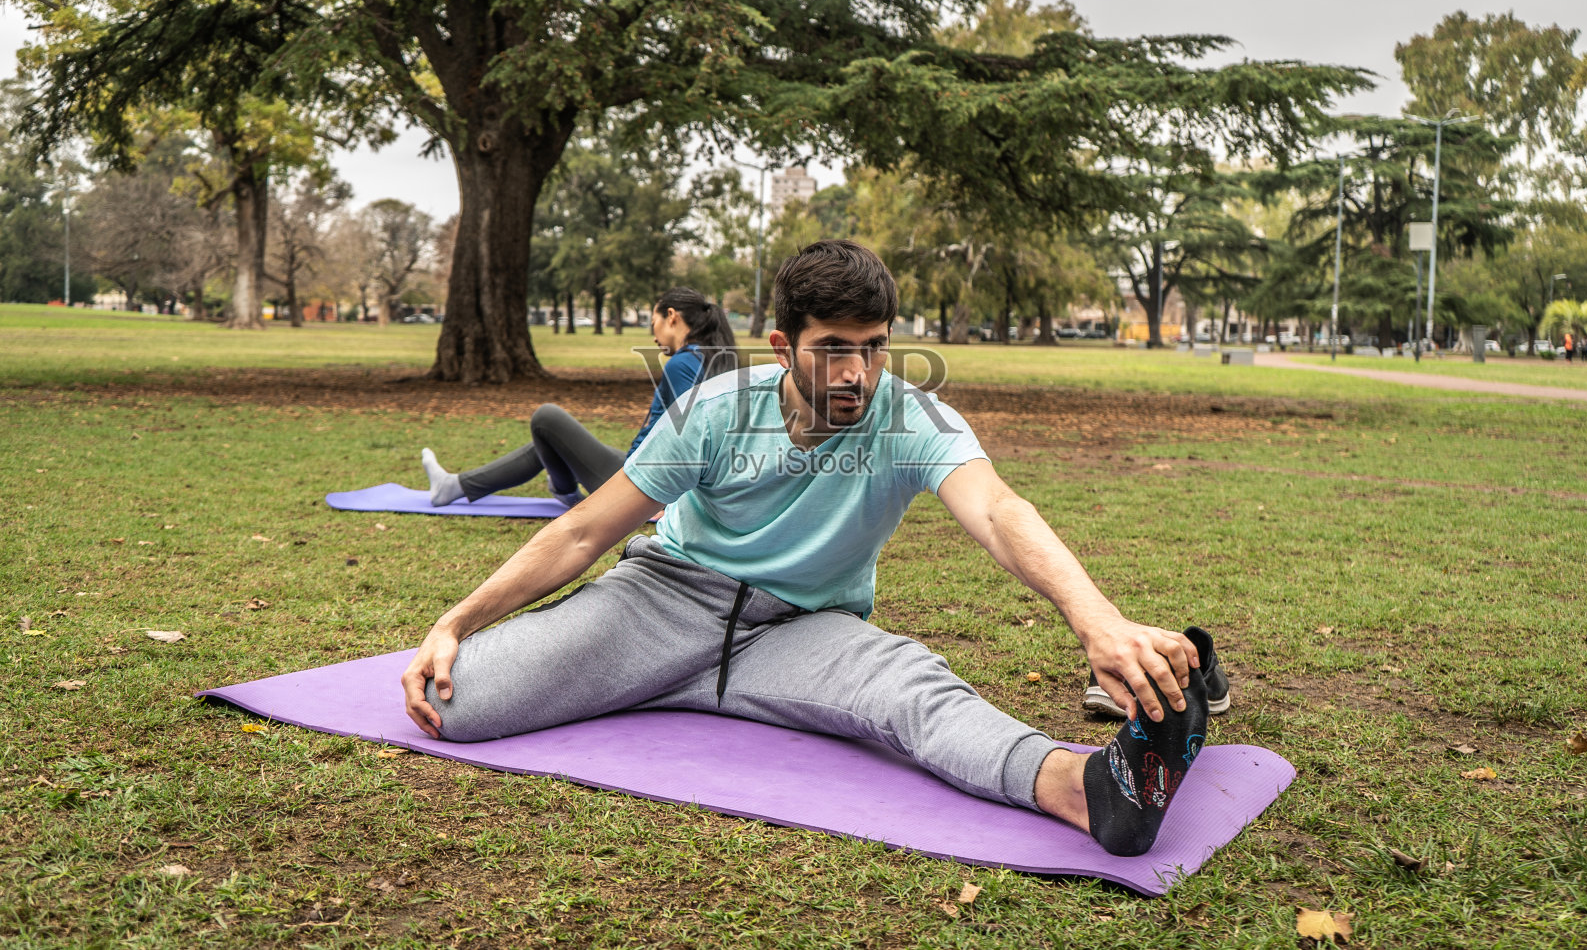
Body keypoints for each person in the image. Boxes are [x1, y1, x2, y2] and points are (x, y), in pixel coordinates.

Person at [401, 240, 1217, 858]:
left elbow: (1000, 511)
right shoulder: (717, 411)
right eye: (834, 346)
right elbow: (584, 529)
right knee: (454, 702)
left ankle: (1093, 788)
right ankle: (645, 680)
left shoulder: (911, 418)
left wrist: (1096, 620)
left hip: (803, 631)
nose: (858, 371)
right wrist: (457, 619)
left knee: (913, 689)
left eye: (874, 345)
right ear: (783, 344)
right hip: (662, 602)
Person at [419, 287, 735, 508]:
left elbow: (690, 438)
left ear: (671, 316)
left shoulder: (683, 363)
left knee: (546, 417)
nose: (652, 336)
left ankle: (564, 491)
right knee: (552, 442)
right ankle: (455, 487)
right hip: (646, 474)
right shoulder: (714, 359)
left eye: (653, 324)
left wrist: (670, 501)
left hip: (638, 482)